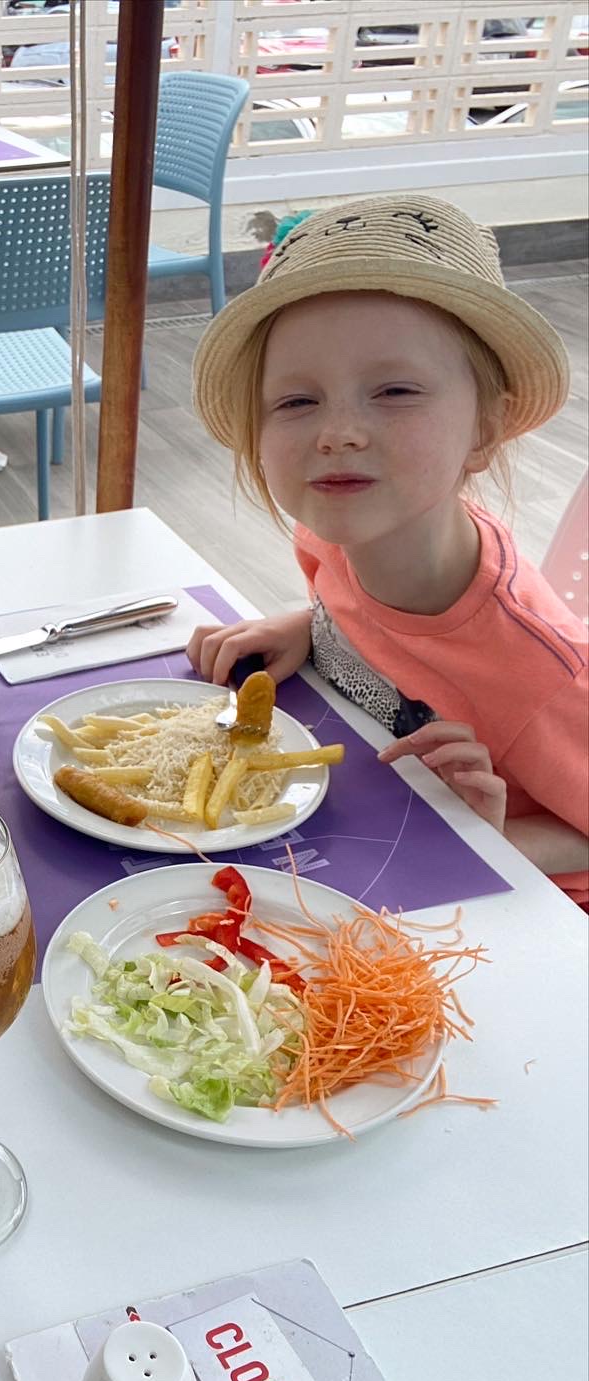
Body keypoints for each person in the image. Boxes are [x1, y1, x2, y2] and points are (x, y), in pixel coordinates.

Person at [188, 193, 588, 906]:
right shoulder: (340, 529)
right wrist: (303, 626)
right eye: (296, 403)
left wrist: (483, 837)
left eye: (395, 390)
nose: (337, 433)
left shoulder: (542, 676)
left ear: (485, 430)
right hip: (357, 838)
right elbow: (359, 615)